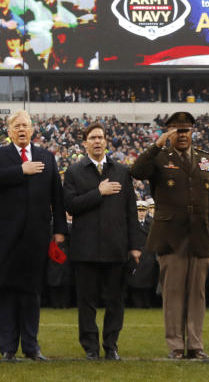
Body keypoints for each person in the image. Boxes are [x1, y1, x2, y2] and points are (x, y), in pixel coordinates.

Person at [131, 111, 209, 360]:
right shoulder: (159, 158)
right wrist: (157, 144)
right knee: (173, 294)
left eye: (186, 130)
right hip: (170, 237)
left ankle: (195, 345)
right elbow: (136, 171)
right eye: (176, 130)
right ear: (168, 132)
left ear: (192, 132)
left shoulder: (206, 160)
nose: (182, 135)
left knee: (197, 294)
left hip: (200, 236)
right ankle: (175, 346)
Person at [0, 109, 67, 362]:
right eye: (17, 125)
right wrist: (21, 170)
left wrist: (60, 230)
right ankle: (7, 347)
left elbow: (57, 196)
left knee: (31, 294)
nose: (21, 129)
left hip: (36, 237)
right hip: (7, 237)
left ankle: (31, 347)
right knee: (6, 293)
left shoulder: (46, 157)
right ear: (9, 131)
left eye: (26, 125)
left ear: (32, 130)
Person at [62, 122, 139, 360]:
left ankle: (111, 346)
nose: (97, 141)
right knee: (87, 303)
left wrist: (135, 246)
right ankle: (91, 348)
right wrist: (99, 192)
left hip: (116, 247)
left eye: (101, 137)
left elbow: (131, 211)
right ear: (84, 143)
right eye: (92, 138)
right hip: (85, 249)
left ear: (106, 141)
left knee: (115, 301)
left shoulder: (122, 171)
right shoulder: (74, 171)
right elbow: (71, 205)